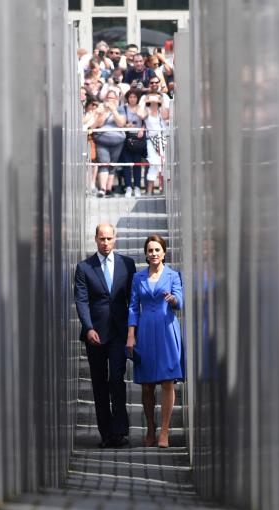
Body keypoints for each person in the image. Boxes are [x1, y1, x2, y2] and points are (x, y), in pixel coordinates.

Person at [75, 223, 137, 448]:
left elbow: (133, 300)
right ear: (95, 239)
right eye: (102, 239)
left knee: (117, 380)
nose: (106, 242)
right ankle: (106, 434)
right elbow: (81, 300)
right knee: (99, 384)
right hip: (96, 335)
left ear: (115, 238)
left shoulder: (127, 265)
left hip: (120, 333)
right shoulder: (84, 267)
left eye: (109, 238)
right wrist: (88, 327)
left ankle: (120, 430)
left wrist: (132, 331)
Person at [126, 234, 183, 448]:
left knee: (168, 381)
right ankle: (150, 427)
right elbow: (133, 307)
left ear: (164, 252)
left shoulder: (173, 275)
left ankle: (165, 431)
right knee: (147, 385)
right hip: (146, 331)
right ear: (146, 254)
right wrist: (131, 335)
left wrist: (173, 299)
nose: (154, 254)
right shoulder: (138, 278)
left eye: (157, 250)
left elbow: (180, 301)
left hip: (167, 330)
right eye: (150, 250)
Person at [91, 87, 127, 197]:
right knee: (104, 162)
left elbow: (121, 123)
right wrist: (104, 113)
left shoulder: (120, 109)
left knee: (113, 165)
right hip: (102, 139)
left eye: (113, 98)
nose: (111, 100)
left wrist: (114, 111)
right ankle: (102, 189)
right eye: (109, 98)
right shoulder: (100, 108)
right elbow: (97, 125)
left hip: (118, 140)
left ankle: (108, 189)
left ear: (117, 99)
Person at [137, 93, 169, 195]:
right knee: (153, 163)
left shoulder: (161, 110)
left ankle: (164, 191)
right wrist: (144, 100)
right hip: (151, 139)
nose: (154, 102)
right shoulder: (146, 111)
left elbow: (166, 116)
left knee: (165, 164)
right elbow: (140, 115)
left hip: (164, 139)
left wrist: (162, 101)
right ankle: (149, 192)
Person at [118, 88, 146, 197]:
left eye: (134, 97)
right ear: (127, 98)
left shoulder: (141, 108)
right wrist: (126, 125)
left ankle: (137, 187)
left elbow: (145, 121)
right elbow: (120, 122)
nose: (132, 99)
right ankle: (128, 187)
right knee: (127, 163)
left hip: (138, 137)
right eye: (130, 97)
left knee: (137, 163)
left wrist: (142, 129)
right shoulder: (122, 108)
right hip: (126, 136)